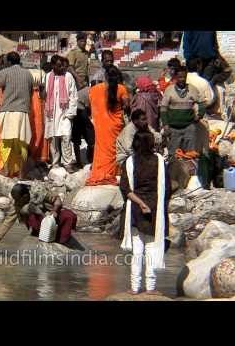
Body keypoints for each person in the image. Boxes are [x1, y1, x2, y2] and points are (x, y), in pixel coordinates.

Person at [119, 131, 171, 295]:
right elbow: (167, 188)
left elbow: (125, 189)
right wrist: (152, 204)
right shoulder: (160, 162)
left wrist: (140, 204)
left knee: (137, 252)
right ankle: (150, 287)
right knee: (152, 248)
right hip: (155, 210)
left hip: (135, 210)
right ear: (151, 145)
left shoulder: (129, 162)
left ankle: (135, 287)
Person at [0, 51, 33, 178]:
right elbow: (31, 91)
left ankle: (6, 170)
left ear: (9, 62)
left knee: (6, 142)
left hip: (9, 112)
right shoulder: (28, 74)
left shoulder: (5, 72)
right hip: (23, 112)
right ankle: (21, 173)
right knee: (22, 144)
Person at [0, 183, 77, 249]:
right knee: (28, 208)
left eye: (18, 199)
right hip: (39, 221)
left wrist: (54, 210)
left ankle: (62, 240)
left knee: (69, 215)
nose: (17, 201)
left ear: (25, 196)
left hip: (52, 216)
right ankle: (39, 234)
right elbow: (8, 221)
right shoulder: (18, 203)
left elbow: (57, 200)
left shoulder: (38, 190)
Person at [86, 65, 129, 186]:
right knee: (115, 150)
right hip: (116, 126)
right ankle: (114, 172)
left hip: (101, 125)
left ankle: (101, 171)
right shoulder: (121, 89)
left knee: (101, 149)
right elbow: (126, 106)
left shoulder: (94, 89)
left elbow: (90, 105)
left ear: (105, 76)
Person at [160, 66, 206, 157]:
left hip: (189, 127)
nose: (182, 79)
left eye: (184, 77)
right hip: (173, 128)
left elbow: (202, 103)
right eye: (180, 77)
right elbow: (163, 109)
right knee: (174, 156)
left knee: (189, 155)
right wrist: (165, 125)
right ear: (176, 77)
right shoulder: (169, 90)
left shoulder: (192, 89)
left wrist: (199, 115)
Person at [43, 55, 78, 173]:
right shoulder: (48, 77)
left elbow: (73, 95)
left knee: (66, 137)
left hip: (65, 112)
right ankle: (55, 162)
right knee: (53, 138)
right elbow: (44, 95)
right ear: (53, 66)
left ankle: (67, 163)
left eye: (63, 65)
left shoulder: (68, 76)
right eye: (59, 65)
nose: (62, 67)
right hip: (51, 112)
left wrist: (70, 113)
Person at [72, 85, 95, 167]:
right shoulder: (92, 91)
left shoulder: (88, 89)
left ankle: (80, 162)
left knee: (77, 137)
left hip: (76, 110)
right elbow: (90, 107)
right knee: (89, 131)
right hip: (79, 110)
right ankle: (90, 159)